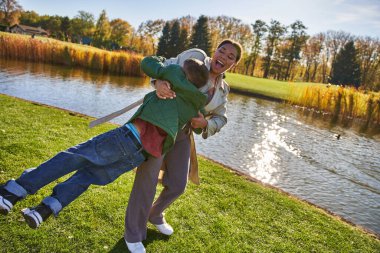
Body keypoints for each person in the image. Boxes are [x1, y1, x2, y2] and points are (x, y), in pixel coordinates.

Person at [0, 56, 209, 230]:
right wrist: (202, 121)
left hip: (127, 138)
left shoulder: (173, 74)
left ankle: (15, 190)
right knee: (88, 175)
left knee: (74, 157)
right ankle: (44, 210)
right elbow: (198, 126)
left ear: (183, 72)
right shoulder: (194, 102)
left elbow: (147, 63)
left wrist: (162, 68)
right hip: (140, 155)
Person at [124, 39, 242, 253]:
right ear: (214, 51)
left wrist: (206, 123)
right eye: (221, 51)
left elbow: (222, 118)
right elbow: (164, 65)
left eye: (230, 57)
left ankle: (155, 213)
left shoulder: (224, 89)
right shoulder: (194, 57)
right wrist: (157, 82)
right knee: (147, 180)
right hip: (161, 125)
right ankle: (133, 233)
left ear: (233, 65)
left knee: (178, 183)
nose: (223, 57)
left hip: (184, 134)